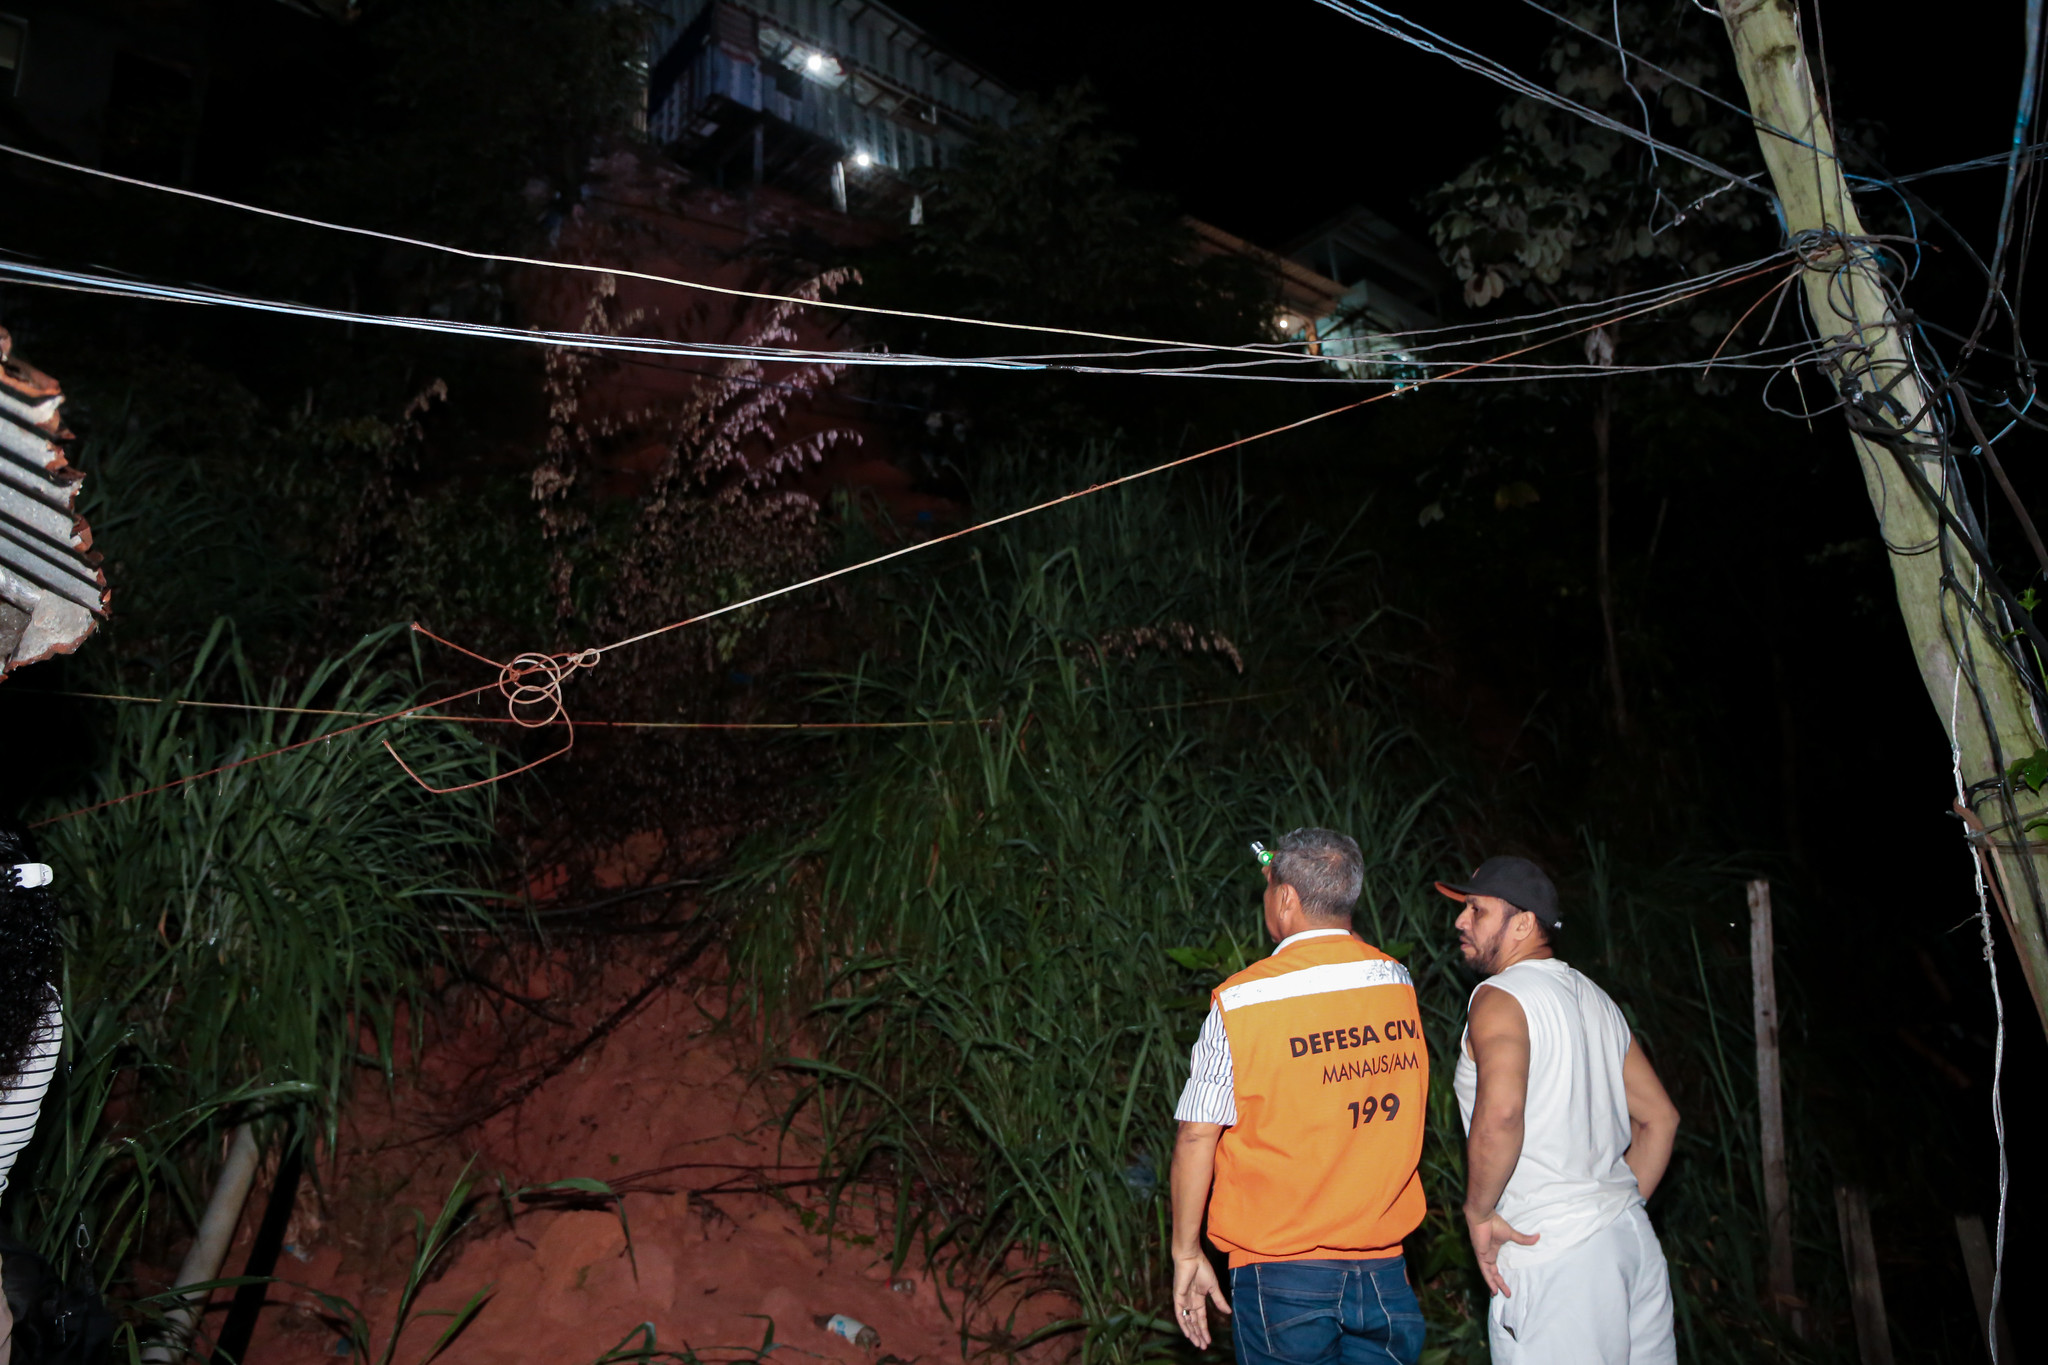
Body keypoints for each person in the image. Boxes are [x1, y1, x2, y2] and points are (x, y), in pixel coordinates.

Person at [1170, 828, 1429, 1365]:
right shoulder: (1396, 981)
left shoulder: (1241, 1000)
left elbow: (1198, 1131)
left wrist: (1185, 1251)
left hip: (1281, 1271)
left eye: (1270, 889)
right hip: (1385, 1270)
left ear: (1285, 898)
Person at [1438, 855, 1681, 1365]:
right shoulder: (1595, 998)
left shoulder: (1498, 997)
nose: (1460, 921)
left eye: (1477, 910)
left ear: (1523, 923)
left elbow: (1502, 1113)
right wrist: (1607, 1207)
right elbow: (1661, 1119)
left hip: (1555, 1256)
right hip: (1630, 1244)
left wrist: (1479, 1212)